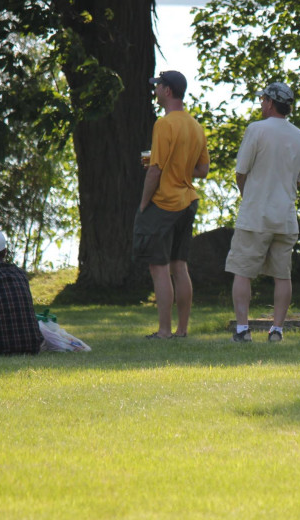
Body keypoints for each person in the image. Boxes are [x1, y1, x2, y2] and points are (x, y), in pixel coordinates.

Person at [225, 81, 300, 342]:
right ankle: (277, 330)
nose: (261, 103)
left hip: (255, 215)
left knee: (243, 271)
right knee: (282, 275)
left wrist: (247, 195)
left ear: (271, 102)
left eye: (263, 99)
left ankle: (242, 330)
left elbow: (241, 172)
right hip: (285, 217)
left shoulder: (257, 130)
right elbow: (298, 180)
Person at [135, 70, 210, 339]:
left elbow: (154, 170)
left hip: (164, 203)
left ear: (168, 91)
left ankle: (164, 331)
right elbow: (202, 169)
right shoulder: (195, 125)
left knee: (159, 267)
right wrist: (180, 168)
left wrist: (144, 203)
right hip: (188, 201)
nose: (155, 91)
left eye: (158, 87)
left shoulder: (164, 124)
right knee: (180, 265)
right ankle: (182, 329)